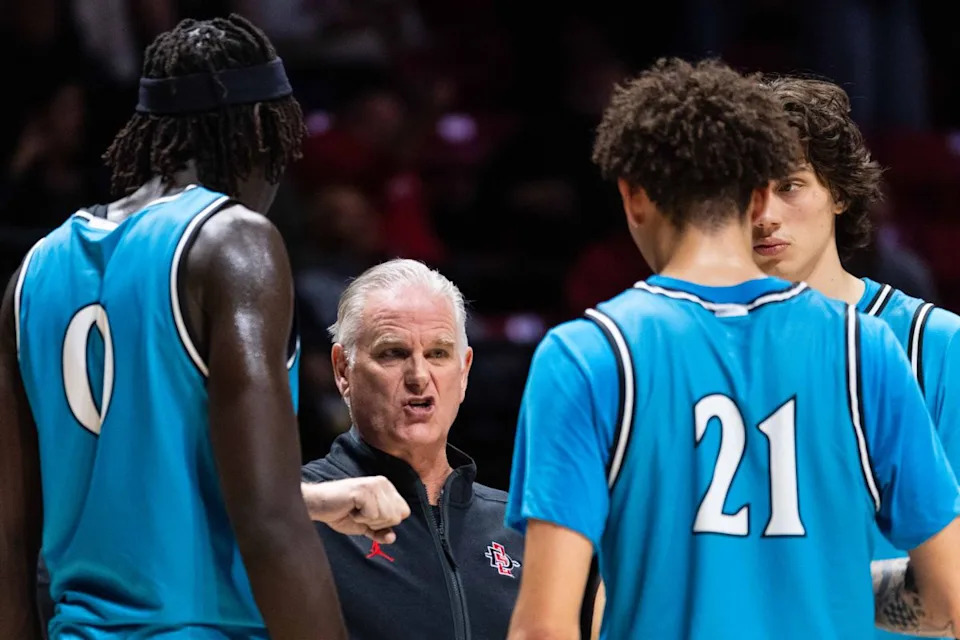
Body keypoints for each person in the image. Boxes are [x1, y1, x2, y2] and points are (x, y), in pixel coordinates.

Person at [504, 57, 960, 640]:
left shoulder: (593, 352)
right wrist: (826, 587)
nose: (767, 214)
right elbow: (948, 591)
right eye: (757, 189)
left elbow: (547, 622)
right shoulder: (863, 347)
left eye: (790, 185)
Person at [0, 14, 351, 639]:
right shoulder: (233, 242)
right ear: (255, 131)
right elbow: (269, 521)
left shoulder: (32, 273)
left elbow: (11, 540)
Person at [755, 75, 960, 638]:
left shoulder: (935, 345)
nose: (764, 214)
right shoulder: (680, 356)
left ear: (840, 193)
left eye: (790, 185)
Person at [300, 258, 526, 640]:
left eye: (438, 353)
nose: (419, 376)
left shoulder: (519, 527)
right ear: (342, 370)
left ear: (464, 371)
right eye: (393, 353)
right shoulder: (299, 511)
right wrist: (303, 505)